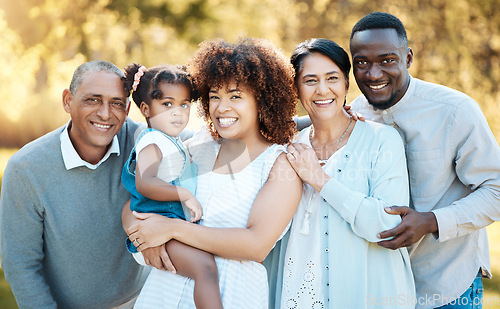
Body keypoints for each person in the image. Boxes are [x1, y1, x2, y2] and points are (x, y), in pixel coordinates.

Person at [122, 38, 302, 308]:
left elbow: (256, 245)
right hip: (166, 289)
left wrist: (171, 228)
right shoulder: (199, 145)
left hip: (232, 293)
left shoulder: (279, 163)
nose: (221, 107)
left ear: (262, 100)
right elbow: (136, 200)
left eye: (235, 96)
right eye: (214, 96)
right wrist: (144, 238)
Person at [349, 12, 500, 308]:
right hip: (378, 290)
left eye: (387, 60)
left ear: (408, 58)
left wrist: (432, 221)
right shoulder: (356, 113)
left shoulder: (455, 111)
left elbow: (496, 190)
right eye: (362, 63)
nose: (373, 73)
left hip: (446, 285)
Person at [275, 38, 415, 308]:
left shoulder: (382, 140)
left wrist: (320, 180)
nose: (322, 90)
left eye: (332, 78)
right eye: (310, 81)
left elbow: (387, 226)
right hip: (299, 294)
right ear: (296, 88)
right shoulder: (288, 148)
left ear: (346, 84)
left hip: (367, 295)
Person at [0, 60, 149, 308]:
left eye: (116, 103)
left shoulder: (143, 145)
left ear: (128, 108)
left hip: (141, 300)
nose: (105, 113)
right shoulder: (26, 169)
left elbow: (204, 143)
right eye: (93, 100)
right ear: (68, 100)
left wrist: (157, 84)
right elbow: (20, 262)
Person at [121, 63, 223, 309]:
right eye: (167, 104)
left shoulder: (171, 140)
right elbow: (145, 183)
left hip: (169, 226)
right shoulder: (153, 141)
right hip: (155, 231)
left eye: (184, 104)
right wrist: (184, 194)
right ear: (146, 108)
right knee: (205, 268)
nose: (177, 112)